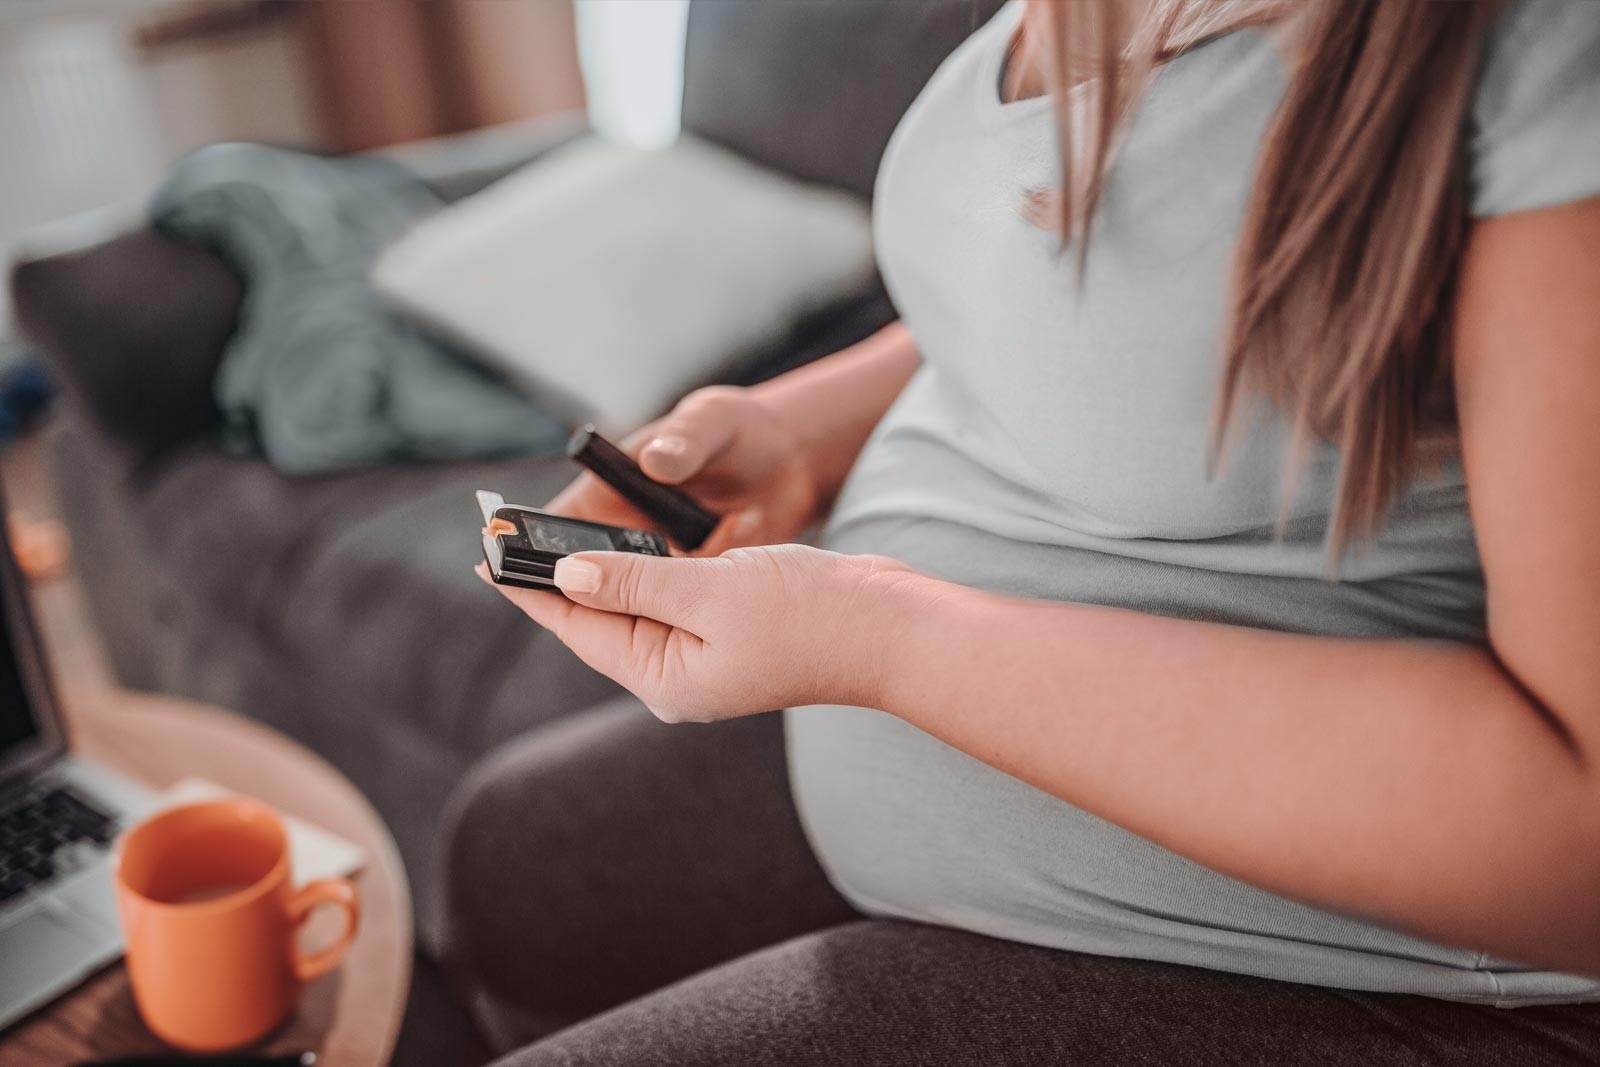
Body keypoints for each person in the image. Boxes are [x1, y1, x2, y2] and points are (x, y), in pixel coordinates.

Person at [442, 0, 1600, 1062]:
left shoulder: (1537, 56)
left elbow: (1577, 842)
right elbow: (1146, 290)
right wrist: (812, 425)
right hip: (938, 736)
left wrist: (882, 637)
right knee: (513, 859)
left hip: (1351, 958)